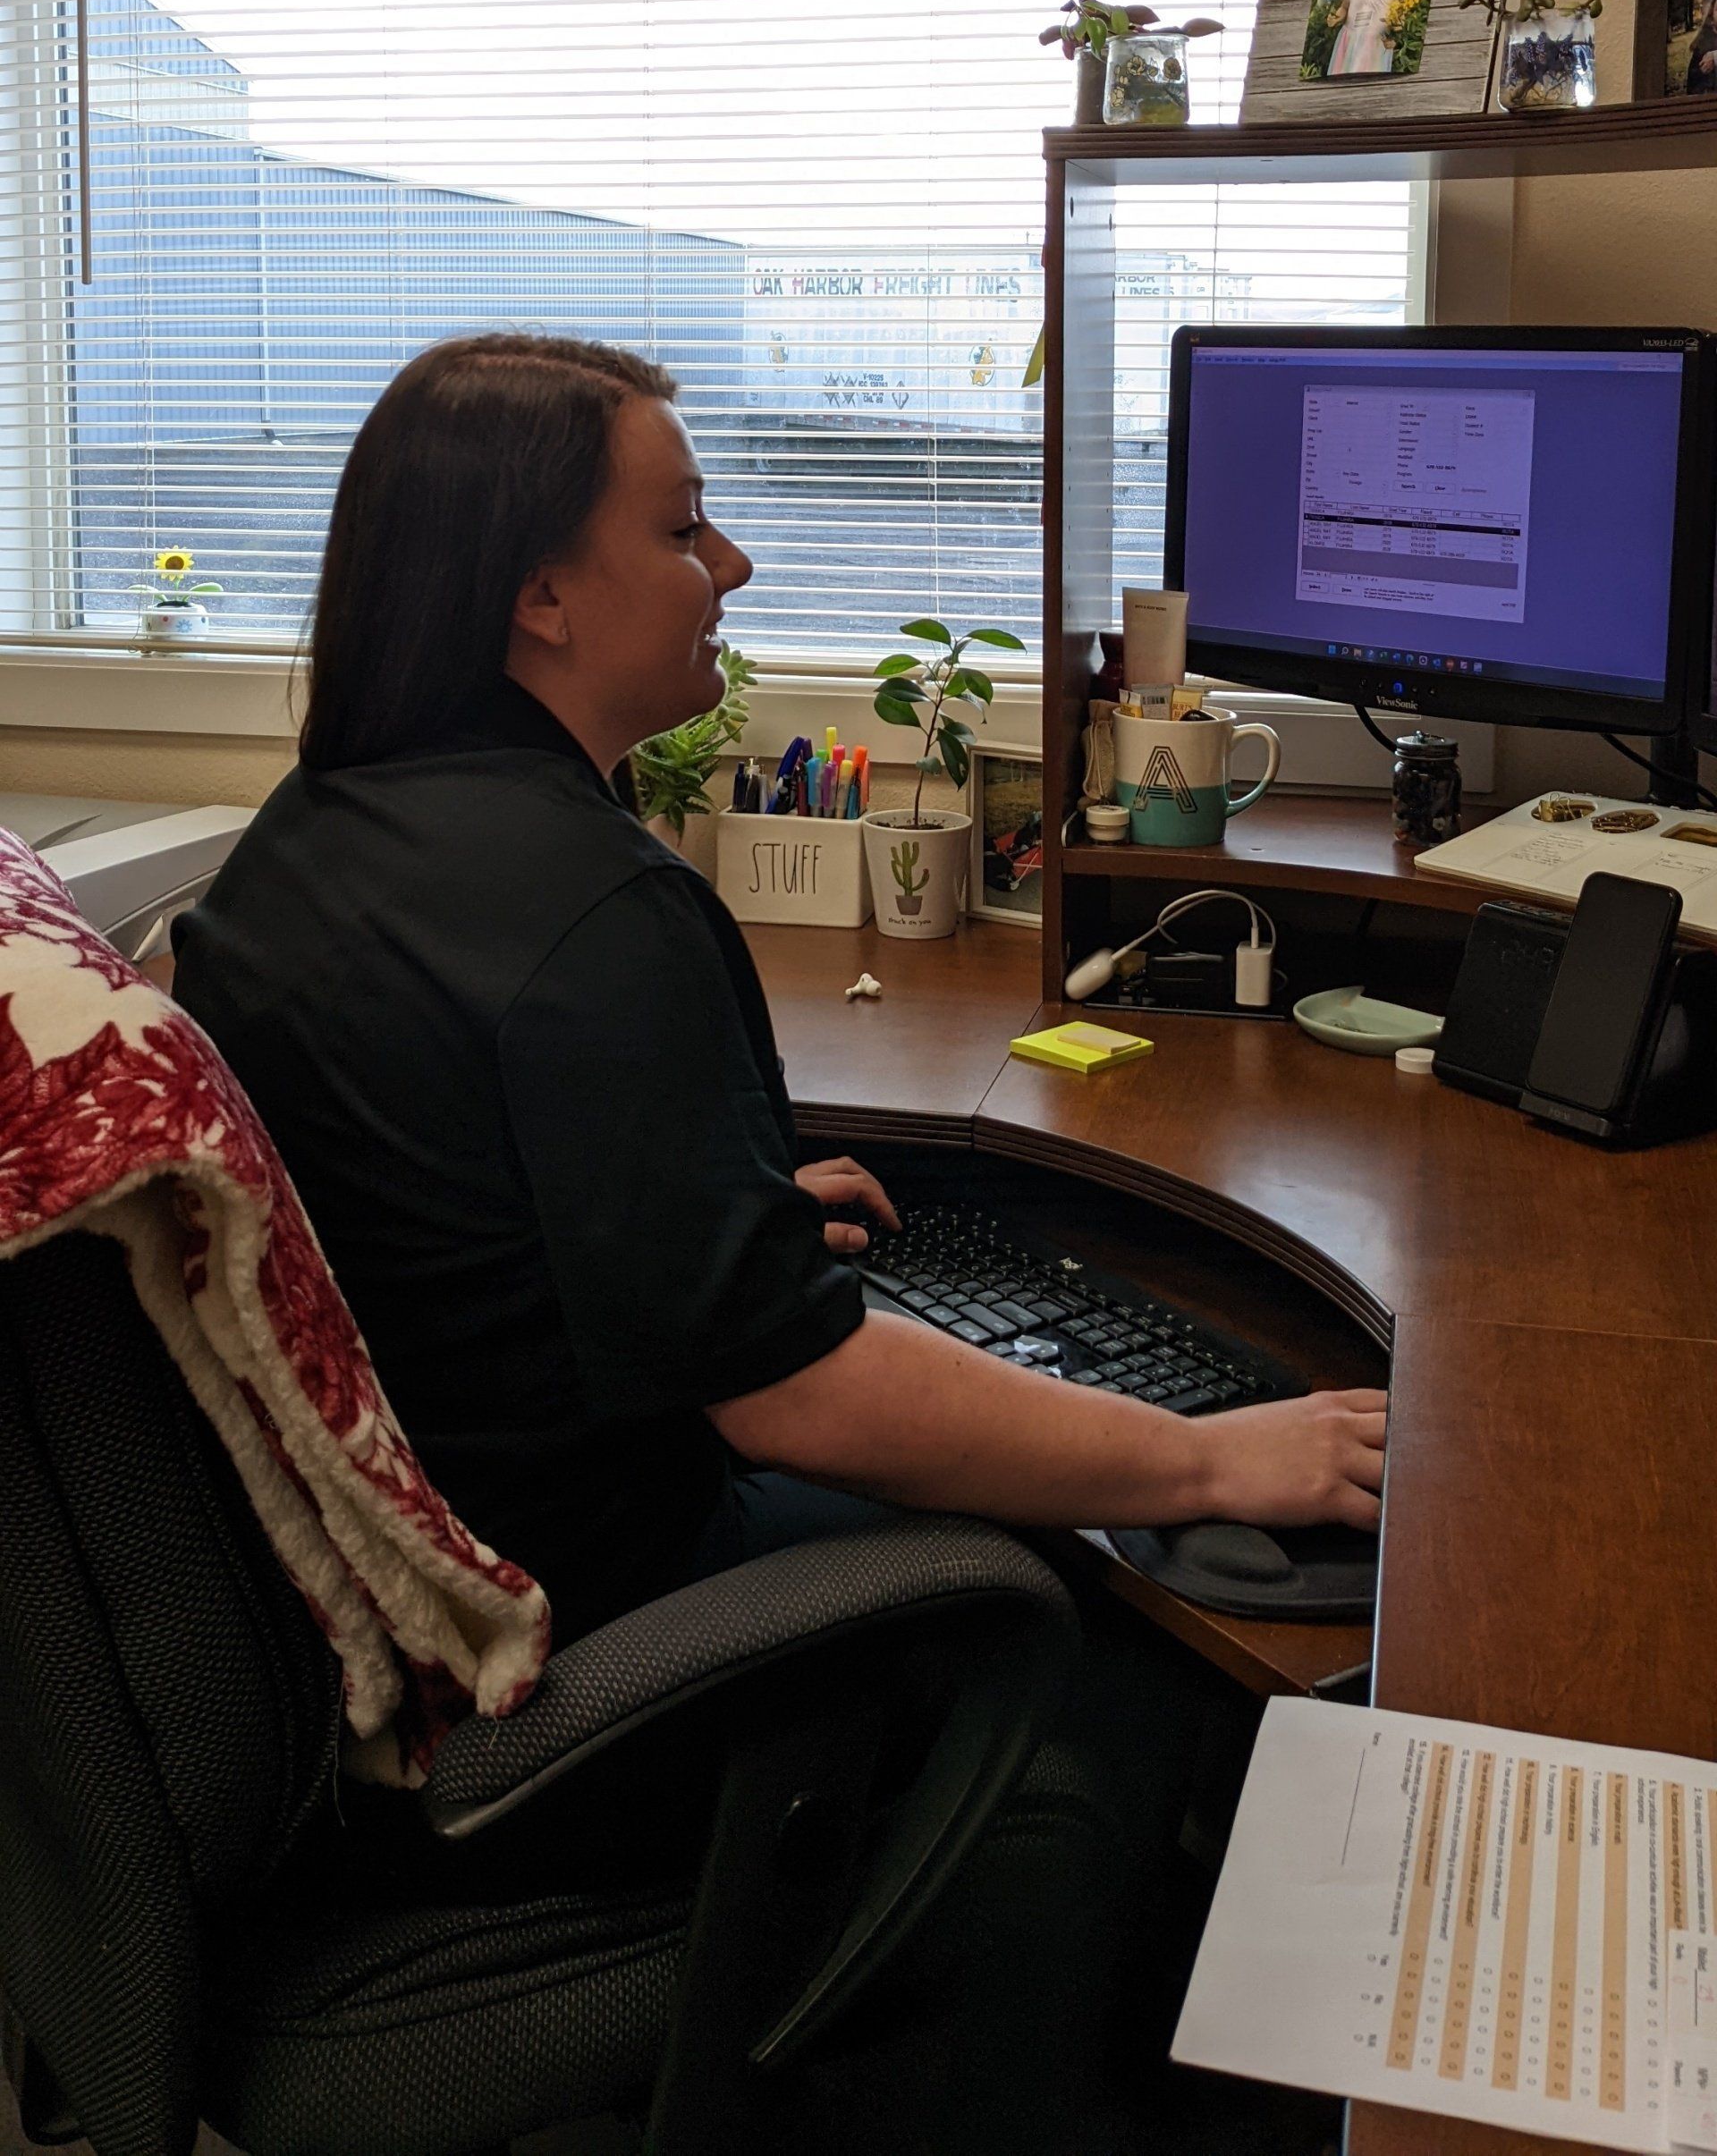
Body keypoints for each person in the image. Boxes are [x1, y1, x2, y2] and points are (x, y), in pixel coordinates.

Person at [174, 332, 1385, 1648]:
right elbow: (801, 1403)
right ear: (541, 594)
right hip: (589, 1605)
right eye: (686, 530)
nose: (733, 566)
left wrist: (702, 1222)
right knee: (1085, 1595)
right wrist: (1213, 1459)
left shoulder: (308, 833)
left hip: (385, 1559)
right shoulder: (598, 913)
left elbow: (433, 1201)